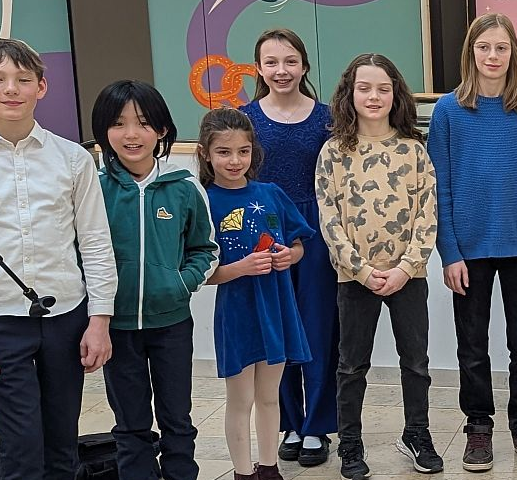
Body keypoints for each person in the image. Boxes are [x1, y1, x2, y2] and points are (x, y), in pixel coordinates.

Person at [0, 37, 117, 480]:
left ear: (42, 86)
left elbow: (95, 242)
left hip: (66, 315)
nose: (11, 90)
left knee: (62, 444)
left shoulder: (73, 159)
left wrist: (99, 319)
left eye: (22, 80)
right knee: (19, 449)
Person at [426, 13, 517, 472]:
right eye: (484, 47)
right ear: (471, 52)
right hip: (468, 250)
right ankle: (478, 427)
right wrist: (449, 252)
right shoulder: (448, 111)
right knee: (472, 346)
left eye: (502, 47)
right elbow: (438, 188)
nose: (493, 55)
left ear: (513, 54)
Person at [315, 53, 442, 478]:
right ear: (349, 94)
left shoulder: (414, 151)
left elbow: (427, 215)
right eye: (365, 88)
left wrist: (405, 268)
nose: (374, 96)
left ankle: (417, 433)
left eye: (383, 89)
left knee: (416, 362)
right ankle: (350, 443)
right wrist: (362, 270)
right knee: (351, 366)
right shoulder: (334, 152)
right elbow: (329, 219)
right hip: (354, 278)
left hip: (409, 276)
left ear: (396, 95)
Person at [92, 79, 218, 480]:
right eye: (119, 123)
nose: (131, 134)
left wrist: (180, 284)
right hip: (117, 326)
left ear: (161, 130)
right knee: (130, 424)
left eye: (143, 123)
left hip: (172, 324)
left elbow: (206, 249)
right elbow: (79, 253)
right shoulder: (93, 188)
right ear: (104, 131)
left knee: (177, 417)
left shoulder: (183, 187)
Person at [239, 28, 337, 466]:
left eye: (290, 61)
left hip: (316, 229)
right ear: (259, 69)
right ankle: (289, 422)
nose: (282, 70)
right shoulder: (244, 119)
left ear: (304, 65)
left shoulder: (328, 118)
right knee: (274, 328)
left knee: (318, 327)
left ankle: (317, 425)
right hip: (264, 230)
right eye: (272, 62)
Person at [200, 108, 314, 480]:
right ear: (206, 154)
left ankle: (269, 469)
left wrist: (289, 256)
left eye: (243, 151)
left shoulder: (271, 194)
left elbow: (298, 245)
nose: (235, 160)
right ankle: (243, 473)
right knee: (241, 399)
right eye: (224, 152)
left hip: (277, 308)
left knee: (269, 396)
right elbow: (203, 273)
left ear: (253, 151)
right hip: (238, 313)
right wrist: (241, 267)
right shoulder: (204, 201)